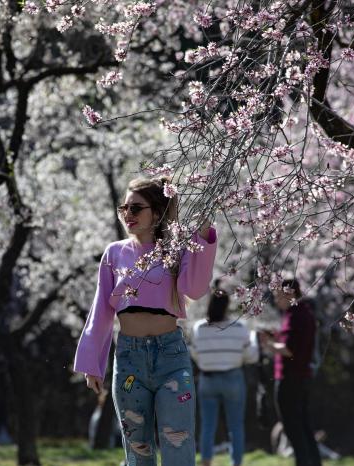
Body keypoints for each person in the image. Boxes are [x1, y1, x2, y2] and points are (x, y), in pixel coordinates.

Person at [74, 176, 217, 466]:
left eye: (136, 208)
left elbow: (196, 288)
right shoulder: (114, 253)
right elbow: (101, 309)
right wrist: (92, 363)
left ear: (157, 211)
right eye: (124, 208)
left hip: (172, 358)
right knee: (138, 450)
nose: (128, 214)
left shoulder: (176, 250)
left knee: (178, 444)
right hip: (129, 360)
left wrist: (203, 236)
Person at [191, 286, 259, 466]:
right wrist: (253, 339)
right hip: (233, 378)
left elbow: (196, 354)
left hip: (208, 379)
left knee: (207, 425)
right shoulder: (239, 327)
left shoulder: (199, 328)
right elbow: (251, 356)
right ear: (227, 305)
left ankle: (206, 462)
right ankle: (236, 463)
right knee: (236, 425)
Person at [260, 279, 322, 466]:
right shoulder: (304, 313)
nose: (277, 300)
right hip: (302, 376)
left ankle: (303, 462)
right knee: (303, 426)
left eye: (279, 295)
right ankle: (314, 462)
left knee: (293, 427)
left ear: (289, 294)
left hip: (290, 378)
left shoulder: (295, 315)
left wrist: (267, 343)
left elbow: (289, 350)